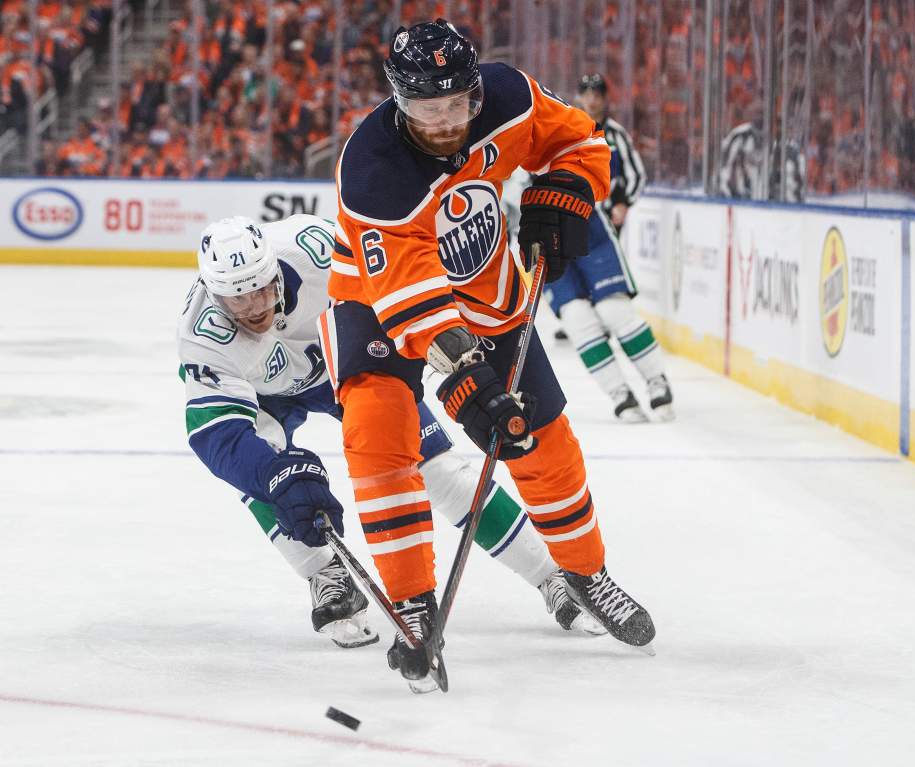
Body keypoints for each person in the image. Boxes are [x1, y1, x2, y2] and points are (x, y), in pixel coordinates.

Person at [326, 20, 656, 686]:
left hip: (484, 285)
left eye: (458, 103)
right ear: (398, 99)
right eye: (428, 107)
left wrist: (565, 195)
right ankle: (414, 604)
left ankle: (587, 573)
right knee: (378, 428)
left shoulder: (507, 96)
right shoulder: (373, 169)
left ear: (476, 90)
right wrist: (467, 381)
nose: (447, 121)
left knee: (540, 437)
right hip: (378, 294)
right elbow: (414, 301)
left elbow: (577, 140)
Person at [178, 215, 604, 676]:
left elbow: (400, 287)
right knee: (265, 472)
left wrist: (452, 352)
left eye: (261, 289)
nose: (253, 307)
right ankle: (326, 574)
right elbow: (218, 435)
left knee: (440, 473)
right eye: (235, 298)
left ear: (276, 271)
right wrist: (272, 475)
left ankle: (551, 577)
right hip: (263, 395)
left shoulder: (316, 249)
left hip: (348, 362)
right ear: (211, 291)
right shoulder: (201, 335)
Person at [542, 73, 674, 423]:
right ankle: (620, 393)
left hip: (590, 230)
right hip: (543, 244)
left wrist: (620, 201)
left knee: (615, 312)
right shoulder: (498, 145)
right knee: (578, 320)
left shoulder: (589, 132)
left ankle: (656, 381)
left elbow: (628, 175)